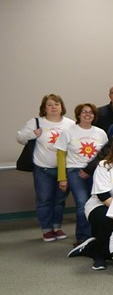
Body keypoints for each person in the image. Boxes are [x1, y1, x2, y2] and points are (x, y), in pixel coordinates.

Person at [67, 132, 113, 270]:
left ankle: (95, 246)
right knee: (108, 218)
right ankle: (98, 255)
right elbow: (103, 195)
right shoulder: (104, 165)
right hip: (100, 204)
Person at [18, 94, 75, 242]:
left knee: (59, 200)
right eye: (49, 105)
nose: (53, 107)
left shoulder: (70, 124)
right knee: (44, 200)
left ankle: (57, 227)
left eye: (56, 104)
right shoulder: (36, 122)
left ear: (62, 107)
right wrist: (32, 134)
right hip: (43, 169)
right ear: (44, 108)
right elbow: (20, 138)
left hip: (64, 170)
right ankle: (47, 229)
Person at [55, 103, 107, 246]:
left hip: (95, 172)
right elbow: (61, 155)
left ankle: (96, 235)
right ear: (78, 114)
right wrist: (62, 178)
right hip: (74, 171)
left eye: (91, 112)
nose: (87, 114)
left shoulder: (100, 133)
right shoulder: (68, 132)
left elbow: (105, 154)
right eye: (84, 112)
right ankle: (83, 237)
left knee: (96, 203)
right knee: (82, 203)